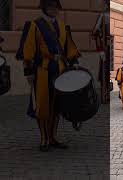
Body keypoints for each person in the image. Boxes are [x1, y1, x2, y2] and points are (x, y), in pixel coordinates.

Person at [16, 0, 81, 152]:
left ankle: (53, 137)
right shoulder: (35, 25)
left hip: (60, 70)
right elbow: (28, 49)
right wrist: (28, 72)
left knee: (57, 106)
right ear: (44, 8)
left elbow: (68, 46)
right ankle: (44, 138)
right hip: (43, 70)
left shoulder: (62, 26)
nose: (54, 9)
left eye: (56, 7)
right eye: (50, 6)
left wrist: (74, 61)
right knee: (42, 106)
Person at [92, 0, 110, 98]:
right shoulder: (103, 15)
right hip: (106, 48)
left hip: (112, 47)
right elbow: (95, 33)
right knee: (105, 71)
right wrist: (100, 50)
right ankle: (105, 94)